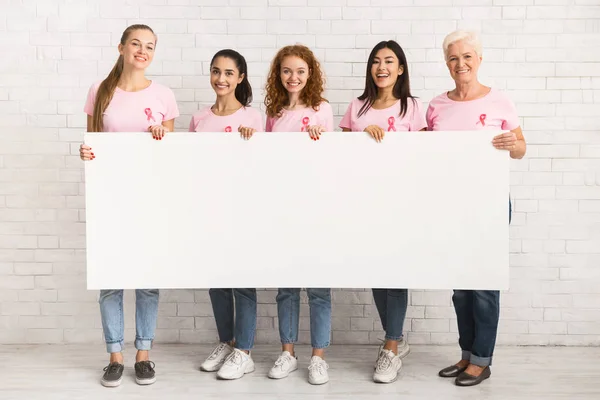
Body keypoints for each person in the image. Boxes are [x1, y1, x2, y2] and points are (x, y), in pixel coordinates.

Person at [79, 24, 180, 388]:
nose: (142, 50)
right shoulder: (100, 91)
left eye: (149, 46)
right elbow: (93, 143)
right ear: (121, 47)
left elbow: (170, 155)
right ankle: (114, 357)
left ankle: (143, 355)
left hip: (150, 197)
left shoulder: (164, 95)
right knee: (111, 279)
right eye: (136, 43)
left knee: (148, 280)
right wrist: (85, 153)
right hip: (110, 196)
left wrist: (162, 137)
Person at [427, 30, 526, 387]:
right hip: (452, 205)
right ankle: (467, 354)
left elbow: (521, 148)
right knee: (461, 287)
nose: (461, 63)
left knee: (484, 284)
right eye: (454, 58)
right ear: (446, 63)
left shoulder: (499, 101)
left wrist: (512, 142)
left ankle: (482, 360)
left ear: (479, 60)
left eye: (467, 56)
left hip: (490, 202)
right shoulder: (437, 105)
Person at [340, 39, 427, 384]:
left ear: (401, 68)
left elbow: (422, 155)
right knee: (376, 272)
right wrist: (364, 138)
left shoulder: (413, 108)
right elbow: (340, 154)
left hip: (401, 203)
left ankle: (391, 346)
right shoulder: (357, 107)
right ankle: (395, 337)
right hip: (364, 203)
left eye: (389, 61)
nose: (381, 67)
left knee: (396, 273)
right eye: (376, 61)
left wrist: (387, 140)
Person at [186, 49, 263, 380]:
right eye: (216, 71)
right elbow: (189, 165)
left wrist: (252, 141)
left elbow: (262, 165)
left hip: (243, 209)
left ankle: (244, 352)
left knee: (243, 282)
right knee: (216, 281)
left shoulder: (253, 117)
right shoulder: (199, 120)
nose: (221, 78)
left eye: (229, 73)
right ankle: (227, 342)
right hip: (208, 209)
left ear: (240, 77)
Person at [263, 44, 334, 385]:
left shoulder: (322, 109)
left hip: (315, 208)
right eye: (287, 71)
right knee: (286, 287)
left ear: (310, 75)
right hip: (281, 208)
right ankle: (288, 352)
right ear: (279, 75)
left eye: (300, 71)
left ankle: (318, 357)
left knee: (318, 288)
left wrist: (319, 141)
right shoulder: (273, 112)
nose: (294, 77)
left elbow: (333, 161)